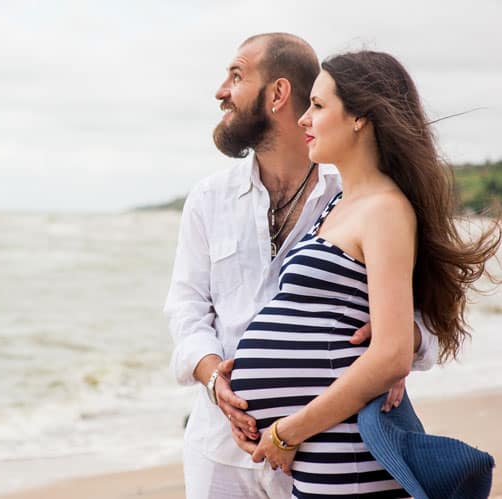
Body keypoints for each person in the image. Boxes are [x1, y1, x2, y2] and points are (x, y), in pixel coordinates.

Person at [164, 33, 438, 499]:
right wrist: (214, 378)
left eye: (236, 76)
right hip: (223, 448)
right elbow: (186, 307)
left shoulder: (354, 194)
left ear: (277, 94)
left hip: (326, 442)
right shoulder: (209, 199)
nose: (220, 92)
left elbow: (424, 319)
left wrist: (398, 343)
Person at [228, 50, 501, 497]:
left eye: (317, 105)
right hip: (326, 453)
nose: (303, 119)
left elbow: (391, 356)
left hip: (347, 455)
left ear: (359, 117)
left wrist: (287, 431)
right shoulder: (338, 206)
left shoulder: (385, 210)